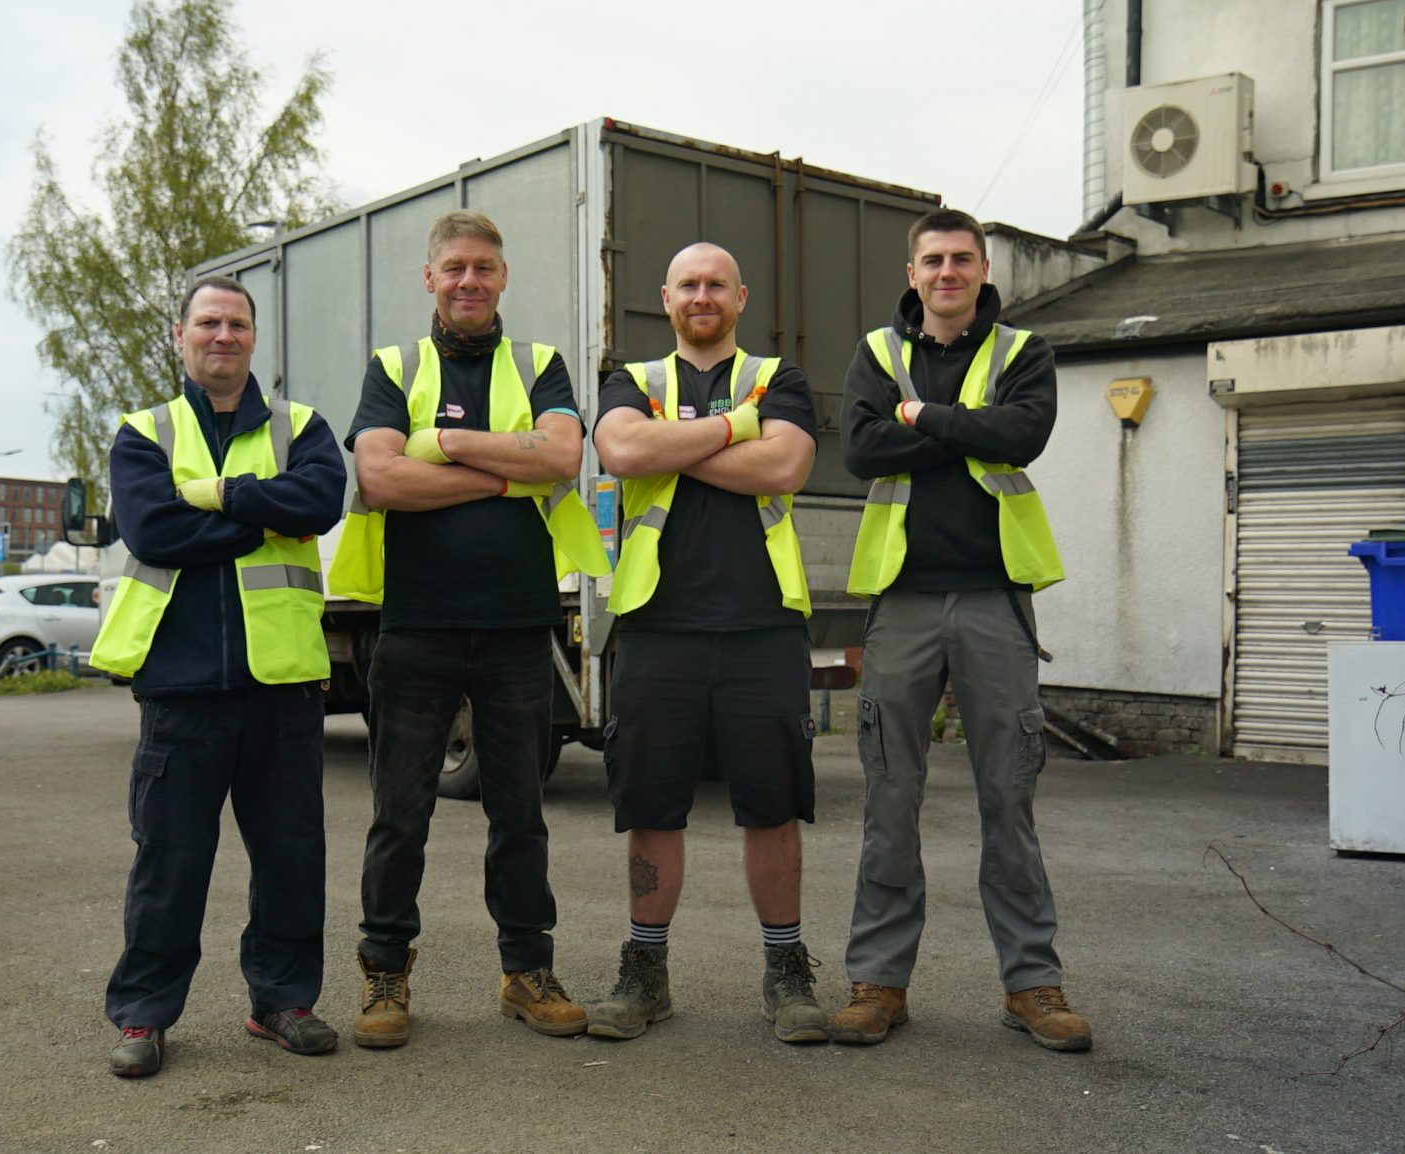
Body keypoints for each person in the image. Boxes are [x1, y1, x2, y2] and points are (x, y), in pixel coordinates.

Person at [329, 210, 609, 1048]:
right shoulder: (394, 367)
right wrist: (497, 476)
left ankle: (527, 971)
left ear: (503, 276)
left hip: (520, 627)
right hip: (415, 629)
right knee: (399, 813)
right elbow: (378, 476)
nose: (468, 281)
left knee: (519, 814)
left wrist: (445, 445)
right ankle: (385, 974)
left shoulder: (540, 364)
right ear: (430, 278)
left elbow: (561, 458)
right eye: (454, 267)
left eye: (484, 267)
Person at [831, 208, 1087, 1051]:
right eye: (933, 260)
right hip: (902, 600)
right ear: (913, 273)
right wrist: (960, 431)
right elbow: (861, 451)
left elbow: (1024, 435)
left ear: (983, 270)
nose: (947, 272)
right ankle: (878, 983)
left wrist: (921, 420)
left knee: (1007, 797)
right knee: (889, 801)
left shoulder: (1023, 352)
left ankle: (1032, 986)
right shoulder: (879, 353)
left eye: (962, 260)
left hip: (993, 601)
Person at [91, 274, 348, 1077]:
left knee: (291, 856)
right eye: (208, 323)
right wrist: (253, 521)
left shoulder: (300, 425)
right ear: (181, 336)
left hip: (282, 687)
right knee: (169, 860)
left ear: (253, 337)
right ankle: (143, 1016)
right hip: (182, 685)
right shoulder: (145, 432)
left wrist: (221, 497)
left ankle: (282, 1001)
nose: (223, 336)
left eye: (237, 324)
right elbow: (152, 527)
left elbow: (319, 500)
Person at [585, 242, 826, 1045]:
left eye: (716, 283)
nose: (701, 294)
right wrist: (732, 434)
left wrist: (678, 448)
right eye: (687, 282)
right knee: (651, 804)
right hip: (659, 625)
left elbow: (786, 464)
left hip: (761, 625)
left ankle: (787, 973)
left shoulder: (780, 378)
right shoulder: (634, 381)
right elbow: (620, 451)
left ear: (741, 295)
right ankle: (644, 972)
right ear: (665, 296)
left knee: (773, 805)